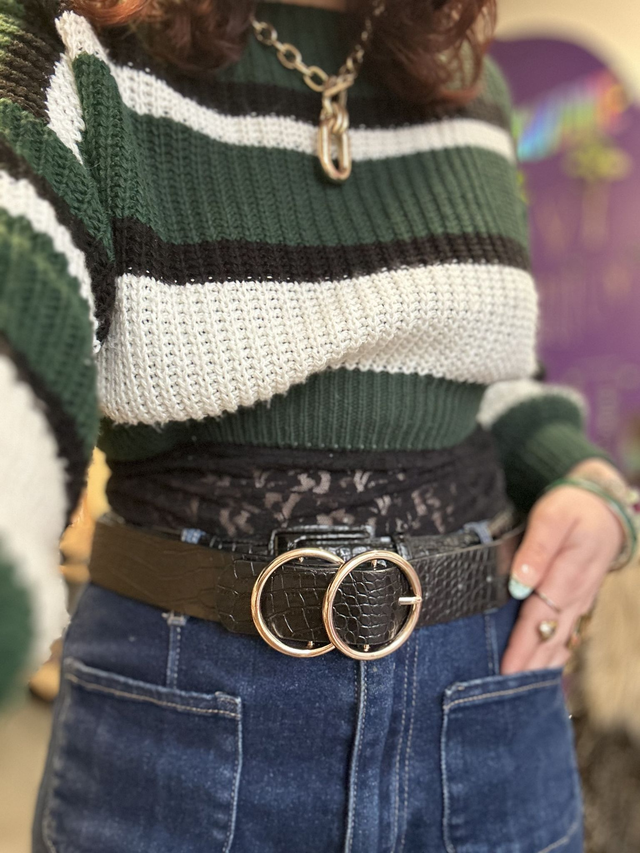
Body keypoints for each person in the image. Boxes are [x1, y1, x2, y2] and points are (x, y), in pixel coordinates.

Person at [0, 0, 636, 849]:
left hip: (489, 712)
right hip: (184, 731)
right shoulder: (70, 46)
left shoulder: (467, 84)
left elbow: (484, 372)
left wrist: (582, 475)